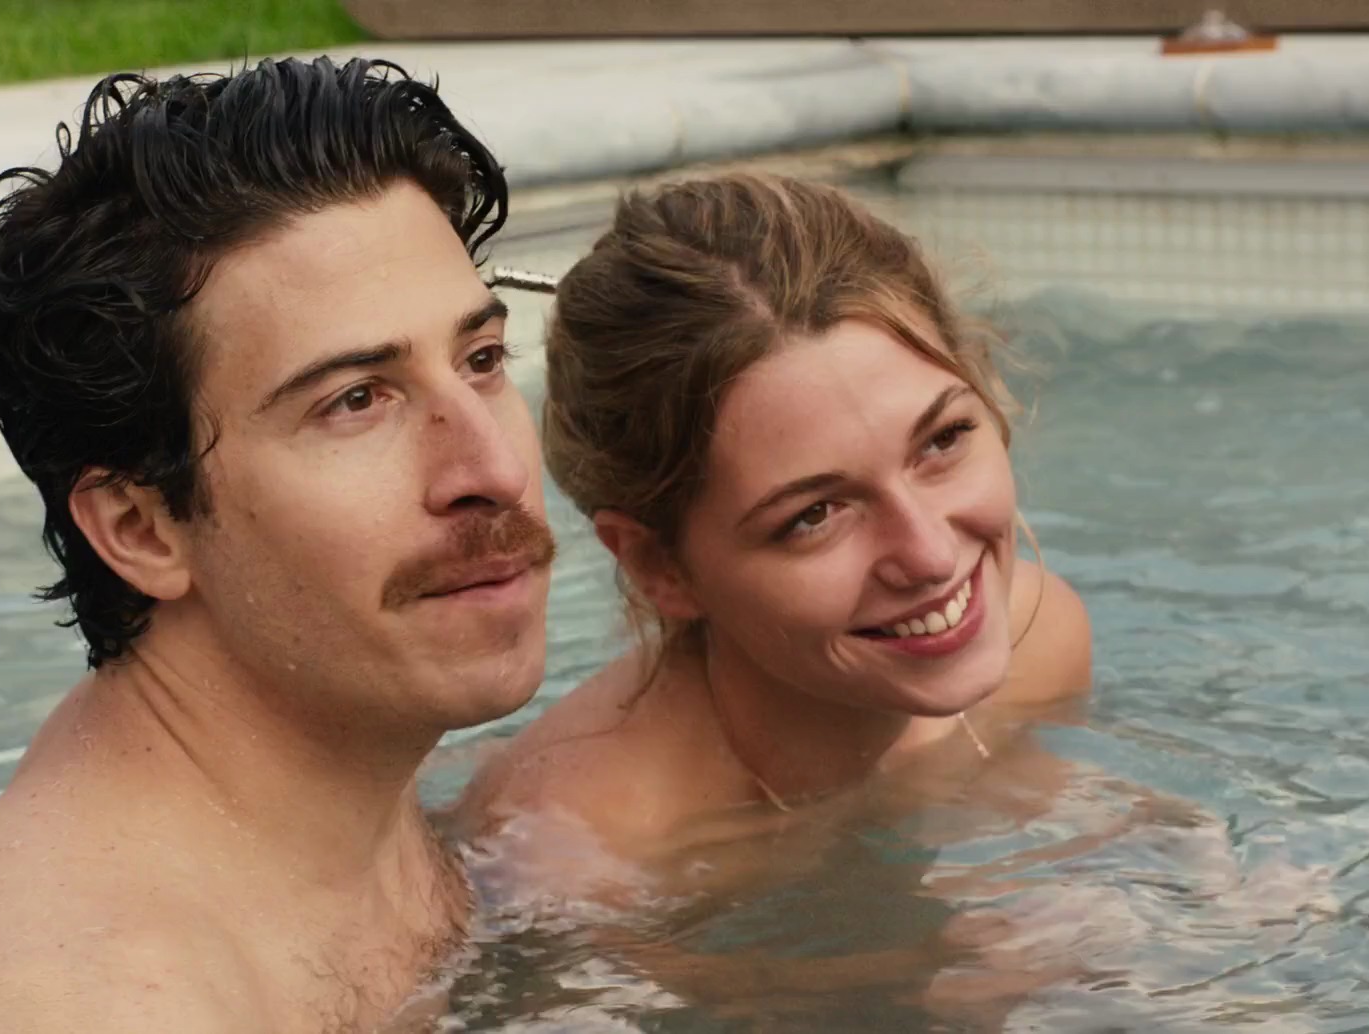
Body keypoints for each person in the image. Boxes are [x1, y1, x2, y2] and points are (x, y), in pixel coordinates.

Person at [0, 57, 556, 1034]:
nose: (493, 469)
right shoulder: (83, 1004)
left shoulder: (331, 755)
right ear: (141, 528)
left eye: (481, 359)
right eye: (356, 400)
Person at [456, 172, 1094, 903]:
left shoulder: (1039, 646)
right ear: (661, 567)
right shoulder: (579, 855)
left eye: (943, 440)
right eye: (815, 515)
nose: (932, 556)